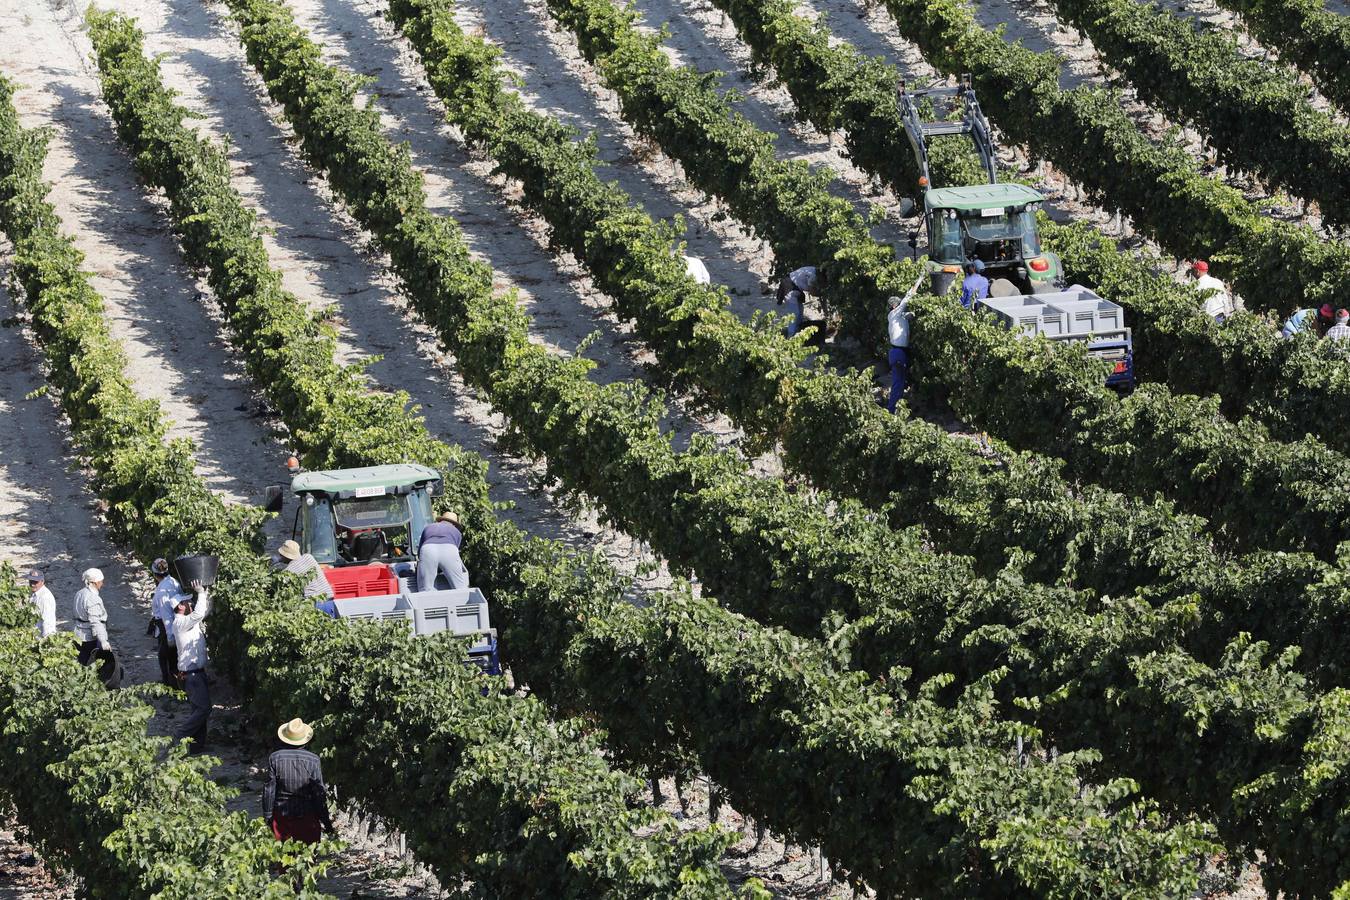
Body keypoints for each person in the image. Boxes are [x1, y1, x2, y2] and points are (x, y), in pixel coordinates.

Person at [263, 718, 335, 844]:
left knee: (283, 859)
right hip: (307, 818)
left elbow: (269, 790)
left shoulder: (275, 758)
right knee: (307, 859)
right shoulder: (313, 760)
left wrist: (268, 817)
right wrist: (326, 822)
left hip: (282, 818)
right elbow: (319, 793)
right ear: (305, 740)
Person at [172, 579, 210, 751]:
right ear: (180, 607)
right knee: (203, 709)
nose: (191, 603)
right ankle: (180, 734)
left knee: (198, 710)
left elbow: (203, 611)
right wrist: (200, 593)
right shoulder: (180, 623)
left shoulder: (188, 621)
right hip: (192, 675)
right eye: (188, 602)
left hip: (196, 674)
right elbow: (198, 614)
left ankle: (196, 746)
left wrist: (207, 593)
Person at [148, 558, 189, 688]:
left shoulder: (161, 591)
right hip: (178, 622)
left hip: (167, 628)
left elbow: (166, 616)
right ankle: (176, 684)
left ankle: (171, 686)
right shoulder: (174, 582)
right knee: (175, 656)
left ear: (154, 574)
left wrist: (171, 637)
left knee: (166, 657)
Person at [416, 511, 469, 592]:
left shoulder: (428, 527)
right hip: (449, 550)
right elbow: (455, 553)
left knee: (425, 590)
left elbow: (419, 553)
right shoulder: (456, 532)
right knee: (460, 588)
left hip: (428, 549)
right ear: (454, 524)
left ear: (440, 520)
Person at [72, 568, 110, 666]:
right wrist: (103, 640)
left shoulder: (79, 593)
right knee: (90, 665)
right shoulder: (92, 598)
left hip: (77, 634)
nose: (102, 583)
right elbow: (95, 622)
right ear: (95, 582)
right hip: (88, 638)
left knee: (79, 662)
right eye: (101, 581)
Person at [776, 266, 826, 337]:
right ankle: (790, 337)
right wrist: (823, 293)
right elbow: (812, 292)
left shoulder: (814, 271)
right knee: (794, 315)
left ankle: (798, 335)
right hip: (789, 286)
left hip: (795, 289)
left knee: (800, 313)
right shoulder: (813, 276)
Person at [886, 296, 913, 414]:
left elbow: (910, 315)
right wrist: (916, 285)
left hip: (902, 352)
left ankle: (898, 409)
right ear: (893, 306)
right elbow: (905, 301)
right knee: (898, 383)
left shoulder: (900, 317)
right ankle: (892, 410)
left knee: (901, 382)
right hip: (897, 352)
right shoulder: (893, 314)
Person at [25, 569, 55, 639]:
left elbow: (47, 621)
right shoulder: (34, 593)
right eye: (31, 581)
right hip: (34, 637)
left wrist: (47, 641)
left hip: (40, 639)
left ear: (42, 582)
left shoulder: (44, 598)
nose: (32, 584)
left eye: (35, 582)